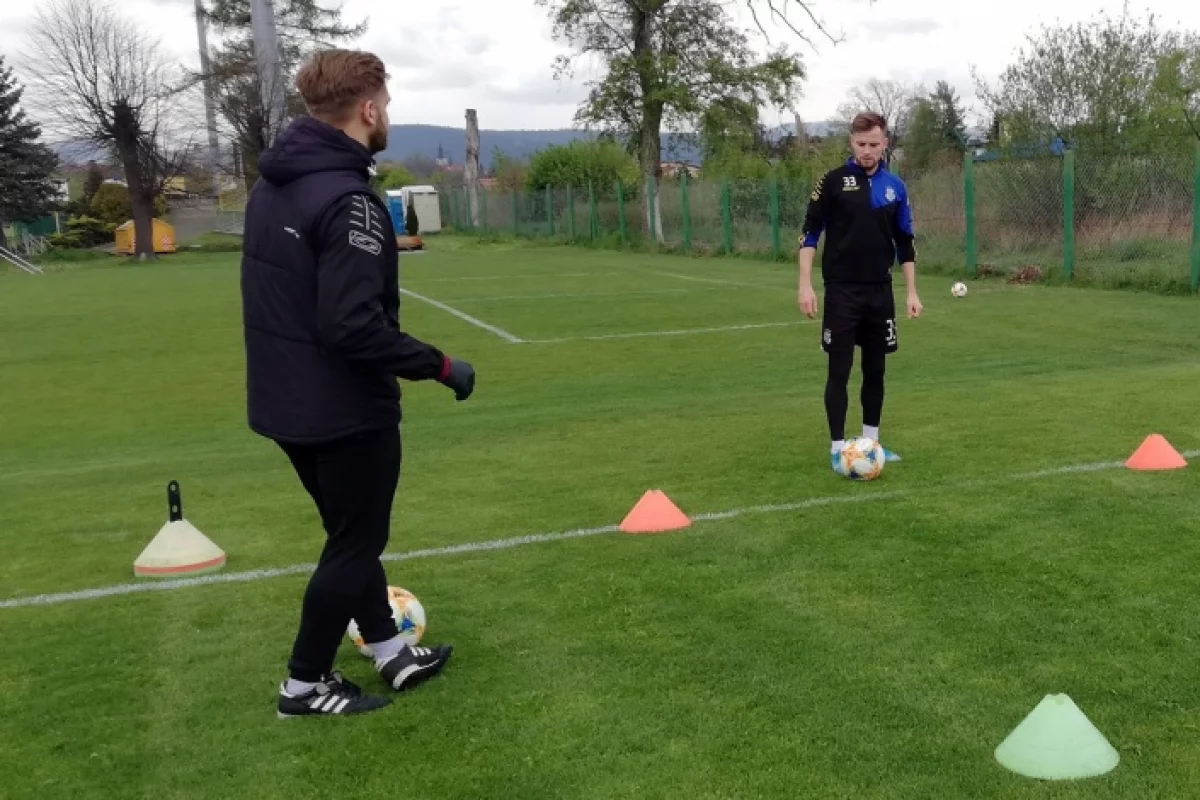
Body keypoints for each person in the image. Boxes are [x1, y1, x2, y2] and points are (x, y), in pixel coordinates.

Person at [240, 49, 476, 718]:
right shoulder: (351, 202)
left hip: (283, 402)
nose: (388, 115)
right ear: (367, 108)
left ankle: (388, 649)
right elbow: (353, 328)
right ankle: (304, 684)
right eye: (387, 104)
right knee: (354, 543)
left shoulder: (273, 185)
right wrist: (440, 365)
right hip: (341, 409)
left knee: (350, 533)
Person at [797, 111, 922, 472]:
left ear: (885, 144)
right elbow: (809, 234)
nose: (867, 151)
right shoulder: (832, 182)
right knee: (839, 370)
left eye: (874, 144)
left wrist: (911, 292)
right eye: (861, 144)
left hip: (880, 293)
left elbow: (906, 243)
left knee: (876, 370)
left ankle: (871, 443)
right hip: (841, 292)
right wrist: (805, 285)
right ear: (852, 143)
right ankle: (838, 448)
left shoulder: (895, 188)